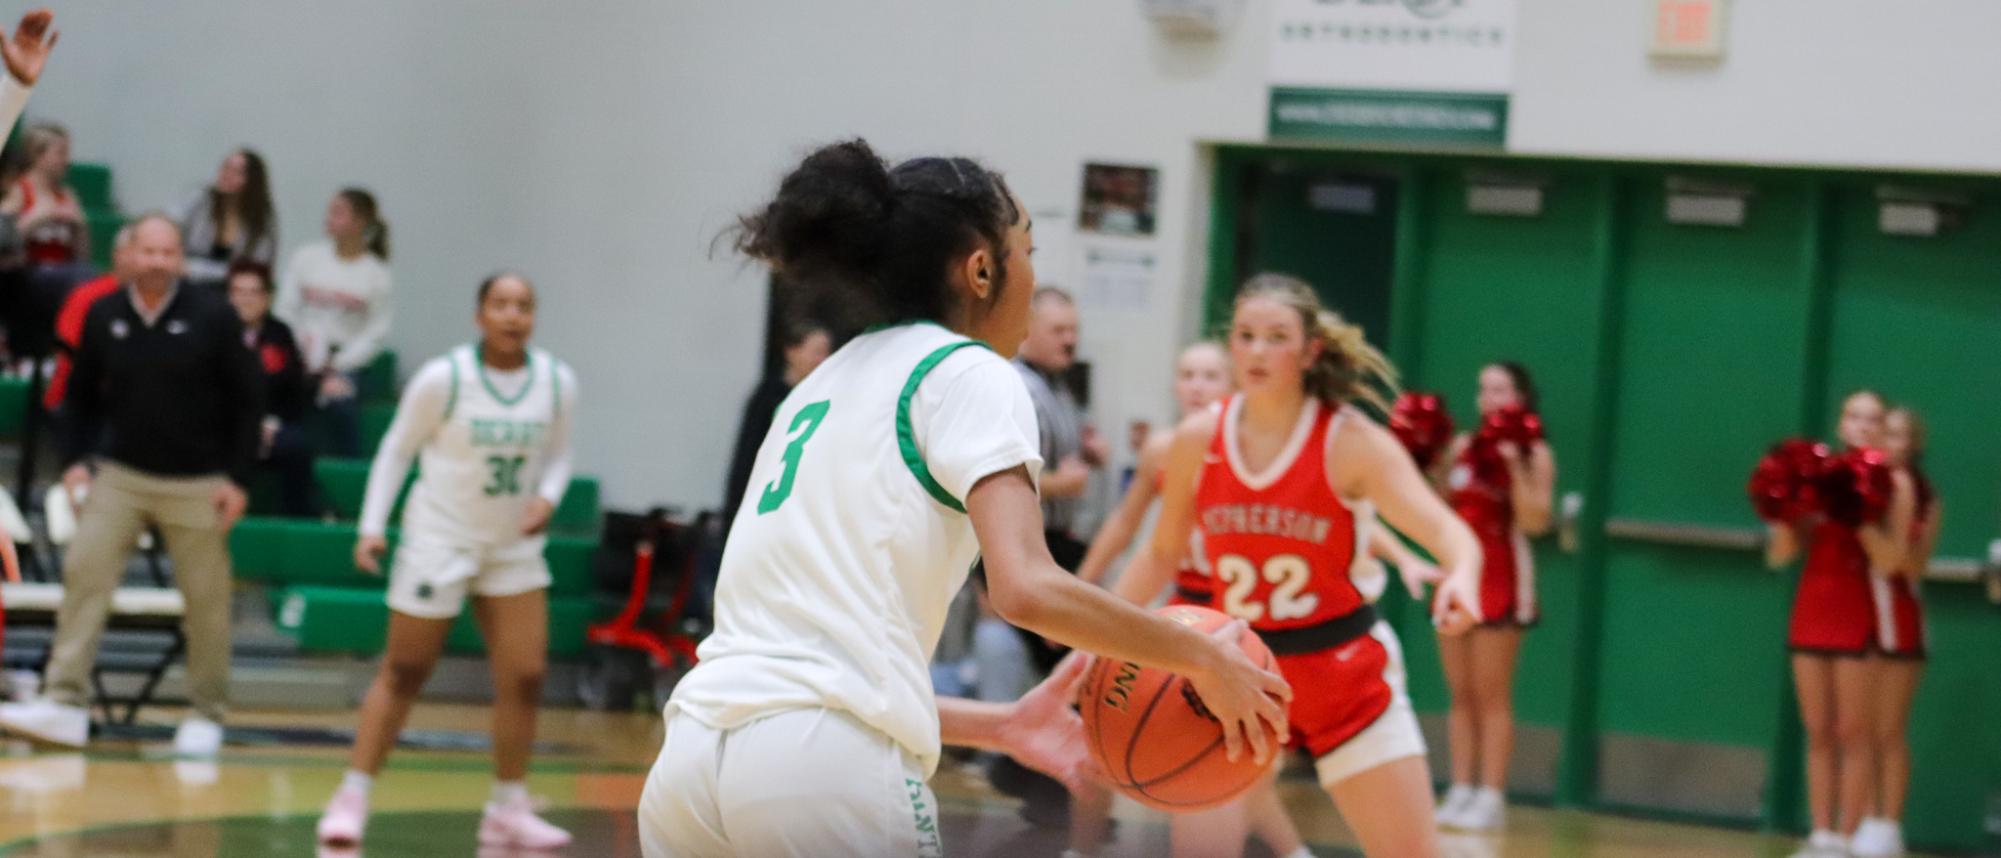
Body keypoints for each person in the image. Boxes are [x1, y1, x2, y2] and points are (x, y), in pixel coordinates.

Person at [638, 139, 1288, 858]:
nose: (1034, 280)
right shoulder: (965, 369)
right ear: (981, 268)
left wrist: (1000, 724)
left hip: (691, 763)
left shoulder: (817, 387)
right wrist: (1201, 657)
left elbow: (794, 669)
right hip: (822, 770)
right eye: (1029, 252)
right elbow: (1026, 589)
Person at [1116, 273, 1483, 858]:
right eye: (1246, 336)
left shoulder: (1350, 442)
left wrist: (1463, 572)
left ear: (1311, 350)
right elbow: (1160, 553)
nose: (1257, 352)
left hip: (1342, 672)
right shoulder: (1197, 439)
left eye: (1276, 338)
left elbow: (1445, 530)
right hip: (1235, 675)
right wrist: (1092, 643)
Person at [315, 272, 579, 849]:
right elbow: (397, 449)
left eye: (524, 306)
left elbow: (560, 458)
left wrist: (548, 498)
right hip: (440, 537)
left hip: (510, 544)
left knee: (527, 675)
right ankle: (352, 793)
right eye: (501, 304)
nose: (513, 315)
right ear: (479, 314)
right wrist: (370, 526)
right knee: (405, 670)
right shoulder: (446, 377)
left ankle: (508, 805)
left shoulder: (556, 381)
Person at [0, 214, 260, 755]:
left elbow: (249, 400)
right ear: (129, 256)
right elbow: (79, 398)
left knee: (206, 599)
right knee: (84, 572)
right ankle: (65, 702)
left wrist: (237, 479)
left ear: (180, 260)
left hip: (197, 481)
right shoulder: (104, 314)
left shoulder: (213, 316)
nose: (158, 262)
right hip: (121, 475)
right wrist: (74, 461)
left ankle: (206, 712)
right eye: (148, 251)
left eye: (168, 252)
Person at [1068, 339, 1317, 858]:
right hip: (1184, 614)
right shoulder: (1166, 448)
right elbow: (1124, 525)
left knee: (1237, 761)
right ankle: (1080, 848)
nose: (1197, 385)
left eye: (1209, 375)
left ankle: (1289, 851)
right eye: (1187, 374)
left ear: (1230, 385)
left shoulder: (1256, 447)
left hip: (1246, 621)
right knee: (1100, 727)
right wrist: (1079, 595)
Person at [1766, 390, 1916, 858]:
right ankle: (1821, 834)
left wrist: (1860, 518)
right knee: (1817, 729)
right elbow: (1779, 555)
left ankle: (1849, 840)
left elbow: (1895, 561)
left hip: (1861, 608)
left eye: (1873, 420)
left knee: (1855, 731)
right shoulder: (1817, 476)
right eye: (1854, 417)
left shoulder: (1895, 483)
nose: (1863, 426)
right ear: (1840, 423)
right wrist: (1792, 514)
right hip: (1814, 605)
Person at [1430, 362, 1555, 831]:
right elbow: (1439, 509)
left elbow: (1535, 521)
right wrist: (1430, 462)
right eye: (1483, 389)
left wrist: (1514, 465)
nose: (1490, 398)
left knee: (1491, 694)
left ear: (1521, 397)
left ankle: (1491, 795)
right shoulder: (1463, 446)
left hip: (1504, 577)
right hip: (1458, 577)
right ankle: (1460, 787)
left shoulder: (1534, 452)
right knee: (1459, 692)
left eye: (1501, 389)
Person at [1850, 405, 1937, 858]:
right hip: (1856, 611)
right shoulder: (1862, 483)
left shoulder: (1913, 491)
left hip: (1895, 612)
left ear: (1914, 444)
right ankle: (1862, 818)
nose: (1889, 441)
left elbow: (1906, 562)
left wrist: (1864, 526)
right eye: (1884, 431)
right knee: (1861, 727)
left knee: (1887, 729)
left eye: (1900, 435)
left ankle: (1887, 825)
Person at [276, 187, 392, 456]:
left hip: (346, 363)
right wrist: (302, 354)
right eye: (330, 211)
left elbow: (375, 332)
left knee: (340, 403)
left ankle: (346, 475)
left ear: (360, 221)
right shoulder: (306, 258)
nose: (329, 218)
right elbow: (286, 310)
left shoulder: (376, 273)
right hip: (300, 354)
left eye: (338, 213)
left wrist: (335, 366)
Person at [722, 318, 831, 544]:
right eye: (816, 351)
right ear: (791, 351)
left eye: (827, 353)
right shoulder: (769, 397)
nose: (823, 360)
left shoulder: (821, 397)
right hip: (766, 508)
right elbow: (746, 460)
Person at [225, 260, 314, 517]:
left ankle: (296, 520)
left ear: (267, 298)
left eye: (253, 293)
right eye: (238, 292)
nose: (245, 300)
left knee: (296, 447)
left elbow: (294, 389)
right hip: (222, 428)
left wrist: (270, 423)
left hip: (272, 426)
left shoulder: (280, 334)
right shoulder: (213, 332)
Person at [0, 120, 86, 359]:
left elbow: (82, 255)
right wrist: (39, 218)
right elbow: (5, 237)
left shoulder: (67, 195)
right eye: (60, 153)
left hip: (62, 271)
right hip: (25, 273)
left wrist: (79, 226)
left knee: (87, 280)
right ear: (38, 155)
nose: (66, 160)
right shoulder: (18, 191)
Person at [43, 224, 127, 412]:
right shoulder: (89, 296)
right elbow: (68, 351)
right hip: (81, 405)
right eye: (147, 252)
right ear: (119, 254)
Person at [177, 148, 277, 290]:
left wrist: (196, 269)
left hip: (234, 291)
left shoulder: (262, 217)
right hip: (185, 283)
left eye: (238, 172)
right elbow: (169, 224)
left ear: (253, 180)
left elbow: (256, 269)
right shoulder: (200, 198)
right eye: (226, 167)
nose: (227, 175)